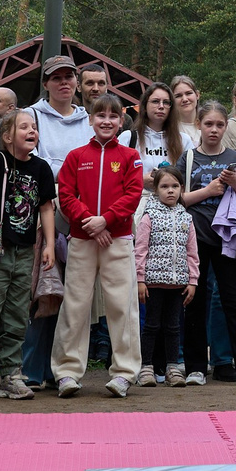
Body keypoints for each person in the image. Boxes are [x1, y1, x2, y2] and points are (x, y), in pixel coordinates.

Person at [52, 92, 142, 400]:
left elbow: (133, 194)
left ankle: (124, 372)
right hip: (82, 239)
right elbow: (65, 194)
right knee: (75, 303)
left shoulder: (130, 157)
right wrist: (91, 222)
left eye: (113, 116)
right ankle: (66, 371)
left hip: (117, 239)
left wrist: (106, 221)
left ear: (120, 122)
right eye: (100, 115)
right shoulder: (76, 156)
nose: (106, 121)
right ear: (90, 120)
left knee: (122, 305)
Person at [0, 107, 54, 400]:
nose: (31, 131)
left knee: (17, 314)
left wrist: (50, 245)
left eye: (34, 127)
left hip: (25, 252)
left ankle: (11, 375)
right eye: (24, 127)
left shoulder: (41, 168)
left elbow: (45, 208)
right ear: (6, 136)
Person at [182, 99, 236, 385]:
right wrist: (208, 190)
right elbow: (176, 198)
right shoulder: (187, 159)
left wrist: (235, 182)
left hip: (228, 239)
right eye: (208, 124)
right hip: (195, 238)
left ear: (226, 126)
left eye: (219, 124)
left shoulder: (235, 157)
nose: (213, 130)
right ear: (198, 124)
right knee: (195, 300)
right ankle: (195, 367)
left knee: (233, 300)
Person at [137, 162, 200, 384]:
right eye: (164, 186)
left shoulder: (186, 217)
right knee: (152, 325)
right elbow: (140, 250)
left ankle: (173, 368)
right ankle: (146, 367)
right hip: (153, 283)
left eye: (175, 186)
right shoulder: (148, 216)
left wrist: (192, 281)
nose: (170, 190)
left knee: (174, 327)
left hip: (177, 283)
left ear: (182, 188)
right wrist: (140, 280)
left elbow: (192, 252)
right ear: (156, 190)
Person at [30, 55, 93, 178]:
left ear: (77, 82)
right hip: (45, 192)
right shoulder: (30, 116)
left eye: (69, 76)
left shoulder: (89, 121)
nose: (64, 82)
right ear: (45, 84)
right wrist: (67, 174)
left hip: (83, 193)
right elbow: (28, 156)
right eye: (56, 78)